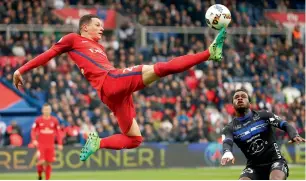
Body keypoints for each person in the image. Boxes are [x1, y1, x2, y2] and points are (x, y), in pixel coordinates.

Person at [13, 14, 227, 161]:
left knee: (135, 139)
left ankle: (98, 143)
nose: (102, 28)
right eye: (98, 25)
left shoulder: (97, 47)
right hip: (111, 81)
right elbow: (49, 54)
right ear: (84, 27)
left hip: (113, 94)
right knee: (160, 68)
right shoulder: (73, 39)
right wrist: (21, 70)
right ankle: (209, 53)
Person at [221, 88, 305, 180]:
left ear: (249, 103)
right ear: (233, 104)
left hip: (275, 161)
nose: (240, 98)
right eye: (236, 97)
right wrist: (227, 152)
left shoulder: (264, 115)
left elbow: (284, 124)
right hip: (253, 167)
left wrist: (294, 134)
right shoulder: (229, 128)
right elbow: (227, 141)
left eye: (243, 97)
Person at [31, 104, 63, 180]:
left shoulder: (54, 120)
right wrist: (34, 140)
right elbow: (33, 130)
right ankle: (39, 174)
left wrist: (60, 143)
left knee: (49, 163)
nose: (46, 111)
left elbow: (58, 132)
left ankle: (47, 179)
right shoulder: (38, 120)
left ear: (50, 110)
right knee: (41, 161)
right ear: (42, 110)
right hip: (41, 144)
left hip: (50, 145)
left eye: (48, 109)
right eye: (45, 109)